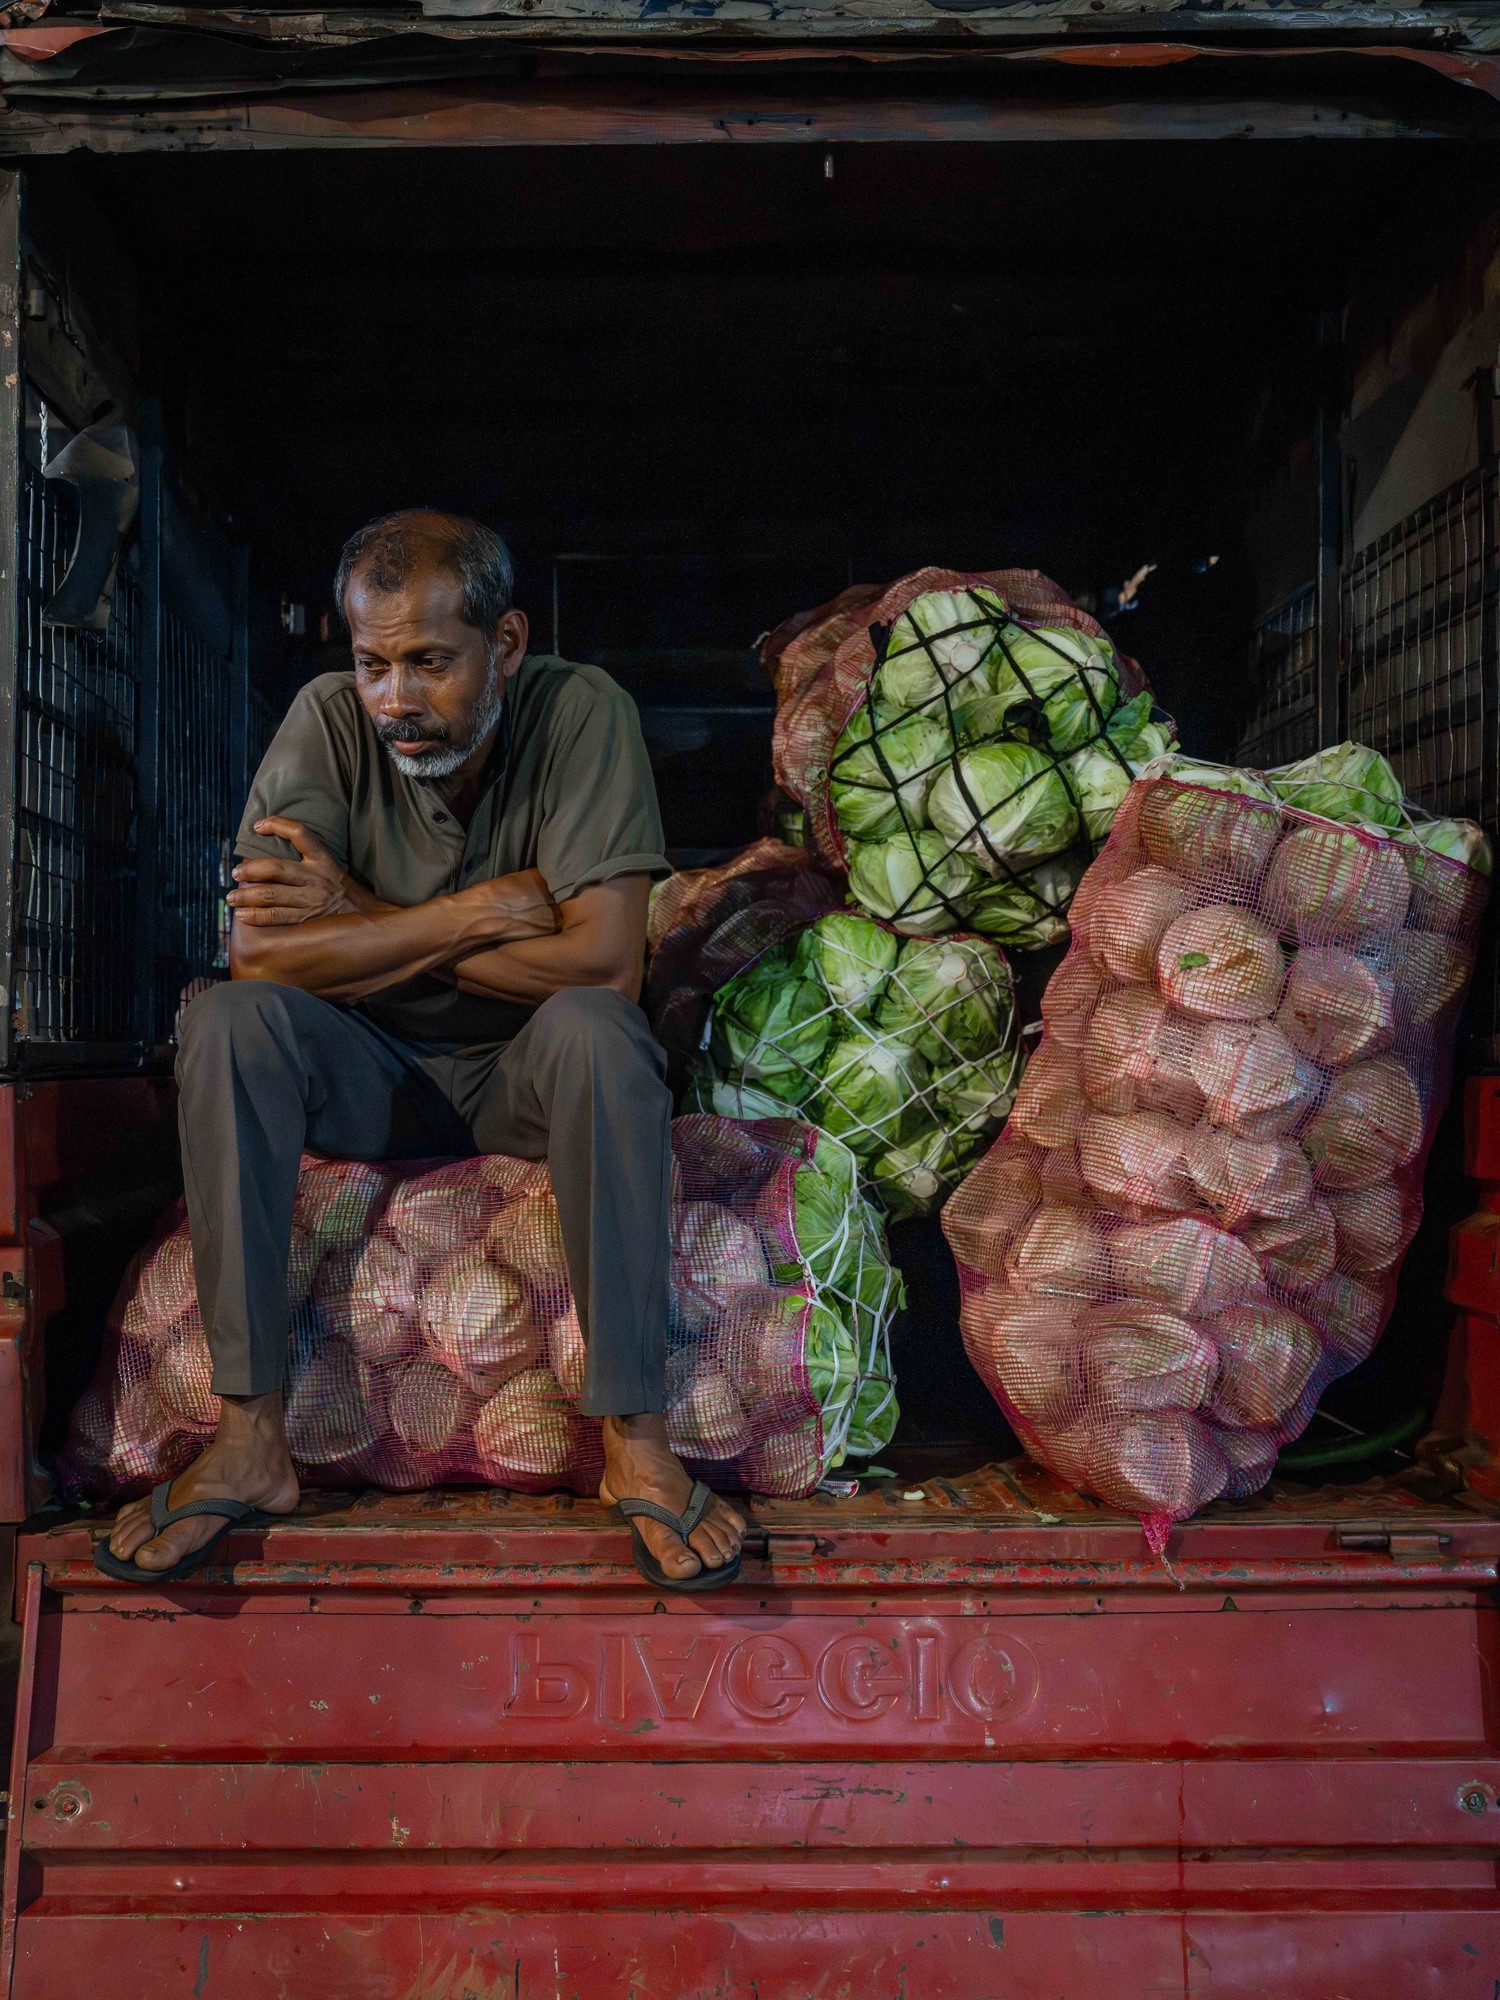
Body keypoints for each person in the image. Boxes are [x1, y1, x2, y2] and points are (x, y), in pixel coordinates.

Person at [100, 509, 747, 1592]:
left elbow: (601, 968)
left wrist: (356, 916)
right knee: (226, 1019)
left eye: (432, 663)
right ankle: (250, 1438)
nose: (396, 698)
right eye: (374, 664)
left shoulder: (579, 712)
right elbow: (262, 956)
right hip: (370, 1070)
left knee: (598, 1032)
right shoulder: (326, 722)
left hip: (527, 1073)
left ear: (506, 643)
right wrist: (477, 912)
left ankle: (636, 1439)